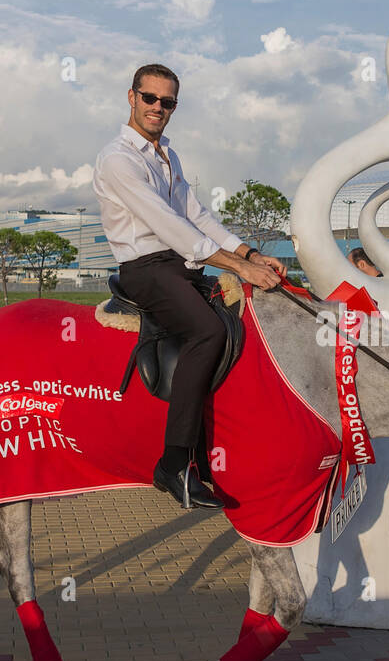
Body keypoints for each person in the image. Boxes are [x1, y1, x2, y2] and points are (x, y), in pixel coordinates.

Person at [93, 63, 285, 509]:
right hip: (145, 267)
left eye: (168, 102)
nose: (158, 107)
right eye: (150, 98)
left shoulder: (167, 155)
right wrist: (235, 267)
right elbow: (169, 226)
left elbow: (197, 216)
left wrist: (250, 256)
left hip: (180, 264)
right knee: (208, 331)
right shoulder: (119, 159)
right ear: (131, 97)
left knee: (242, 322)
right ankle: (175, 463)